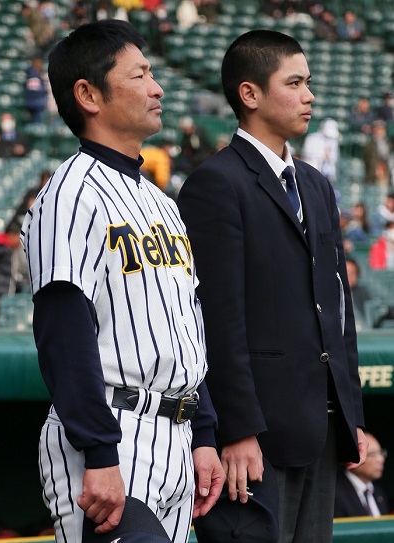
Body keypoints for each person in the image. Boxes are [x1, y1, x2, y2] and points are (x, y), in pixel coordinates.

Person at [20, 19, 225, 543]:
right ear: (88, 94)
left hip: (177, 434)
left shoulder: (162, 201)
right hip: (114, 434)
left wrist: (202, 433)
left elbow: (187, 324)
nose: (157, 88)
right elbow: (64, 331)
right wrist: (99, 450)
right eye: (140, 75)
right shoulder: (68, 195)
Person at [177, 29, 367, 543]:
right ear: (250, 94)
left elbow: (337, 308)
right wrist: (237, 429)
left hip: (322, 428)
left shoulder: (315, 183)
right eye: (296, 83)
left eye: (309, 83)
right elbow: (217, 318)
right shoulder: (215, 183)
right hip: (257, 439)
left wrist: (353, 415)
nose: (310, 96)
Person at [334, 432, 391, 517]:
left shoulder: (379, 493)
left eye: (381, 453)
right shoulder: (335, 493)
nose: (381, 459)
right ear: (354, 457)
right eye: (373, 454)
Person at [301, 118, 340, 183]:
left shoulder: (334, 141)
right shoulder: (311, 138)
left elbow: (334, 157)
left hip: (328, 174)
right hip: (312, 172)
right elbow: (306, 153)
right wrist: (322, 155)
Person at [363, 119, 392, 186]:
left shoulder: (388, 143)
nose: (380, 132)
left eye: (382, 129)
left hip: (386, 172)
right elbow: (368, 160)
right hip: (373, 174)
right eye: (378, 129)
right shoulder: (369, 144)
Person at [345, 257, 372, 329]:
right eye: (346, 273)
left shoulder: (363, 292)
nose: (349, 276)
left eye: (352, 273)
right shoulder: (332, 294)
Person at [24, 54, 48, 124]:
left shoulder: (39, 72)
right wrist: (44, 91)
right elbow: (34, 89)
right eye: (38, 62)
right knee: (37, 124)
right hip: (34, 103)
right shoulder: (31, 73)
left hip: (39, 103)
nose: (40, 64)